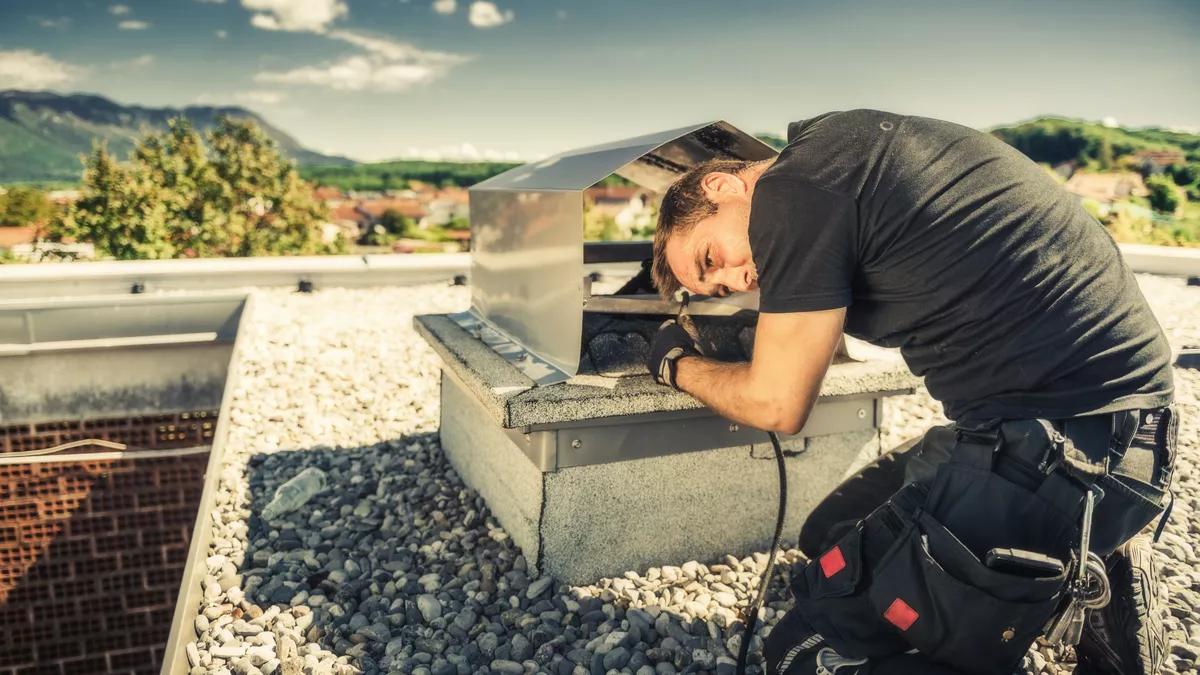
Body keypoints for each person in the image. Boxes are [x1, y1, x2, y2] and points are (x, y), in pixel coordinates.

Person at [644, 110, 1176, 675]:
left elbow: (776, 403)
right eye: (718, 288)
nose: (737, 281)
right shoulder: (835, 152)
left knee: (800, 657)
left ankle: (1072, 566)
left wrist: (675, 365)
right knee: (830, 536)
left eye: (710, 258)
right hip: (1117, 423)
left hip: (1067, 449)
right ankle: (1088, 572)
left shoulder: (789, 192)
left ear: (721, 186)